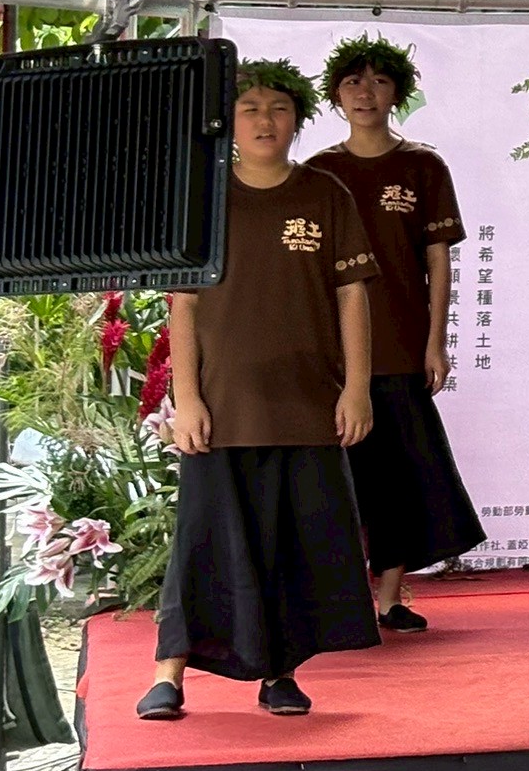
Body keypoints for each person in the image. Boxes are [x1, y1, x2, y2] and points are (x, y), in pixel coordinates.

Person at [137, 61, 380, 719]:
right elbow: (183, 304)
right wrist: (188, 398)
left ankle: (280, 673)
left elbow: (352, 297)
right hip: (222, 406)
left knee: (288, 547)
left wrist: (357, 388)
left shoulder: (325, 193)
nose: (265, 121)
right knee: (200, 541)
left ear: (298, 119)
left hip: (306, 404)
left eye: (278, 108)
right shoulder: (203, 196)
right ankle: (168, 674)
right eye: (250, 108)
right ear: (229, 122)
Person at [308, 36, 485, 631]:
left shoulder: (423, 166)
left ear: (398, 94)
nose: (366, 93)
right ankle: (338, 599)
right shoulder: (318, 173)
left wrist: (436, 342)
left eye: (379, 82)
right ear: (336, 95)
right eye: (353, 82)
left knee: (401, 476)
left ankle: (389, 596)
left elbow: (439, 260)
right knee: (338, 480)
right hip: (331, 355)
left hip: (403, 343)